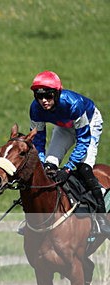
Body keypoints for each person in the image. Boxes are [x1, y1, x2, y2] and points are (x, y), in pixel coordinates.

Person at [29, 70, 110, 235]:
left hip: (89, 124)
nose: (44, 101)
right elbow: (38, 141)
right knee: (48, 168)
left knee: (84, 168)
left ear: (57, 93)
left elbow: (83, 140)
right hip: (64, 128)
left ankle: (102, 218)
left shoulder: (73, 104)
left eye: (49, 96)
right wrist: (44, 161)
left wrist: (67, 169)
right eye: (39, 96)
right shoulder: (35, 109)